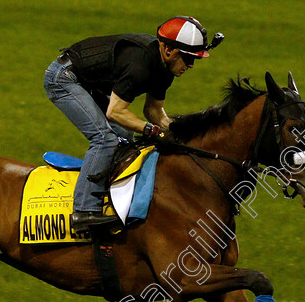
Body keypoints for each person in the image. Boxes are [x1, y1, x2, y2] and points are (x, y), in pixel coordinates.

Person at [44, 16, 223, 232]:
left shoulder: (165, 70)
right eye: (188, 58)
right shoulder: (140, 64)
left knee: (126, 138)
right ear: (168, 50)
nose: (192, 65)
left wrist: (179, 135)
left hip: (90, 83)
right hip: (64, 78)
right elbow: (115, 112)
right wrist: (152, 130)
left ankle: (109, 195)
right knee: (105, 139)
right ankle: (84, 212)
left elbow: (153, 111)